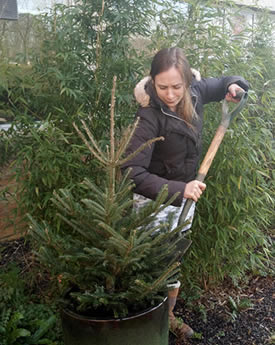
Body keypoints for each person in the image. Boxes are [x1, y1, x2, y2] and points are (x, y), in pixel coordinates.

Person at [122, 47, 249, 339]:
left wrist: (234, 85)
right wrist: (182, 189)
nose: (169, 94)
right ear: (152, 82)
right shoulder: (149, 116)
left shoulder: (196, 92)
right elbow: (132, 172)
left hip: (185, 198)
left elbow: (223, 83)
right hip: (153, 202)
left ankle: (168, 318)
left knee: (173, 260)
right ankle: (143, 324)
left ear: (187, 83)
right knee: (151, 264)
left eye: (176, 86)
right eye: (162, 86)